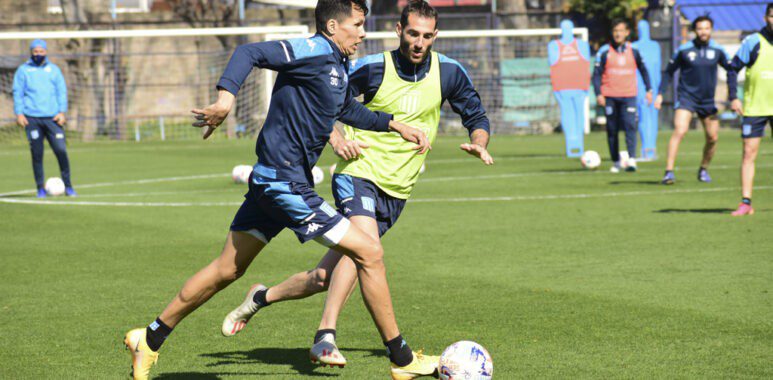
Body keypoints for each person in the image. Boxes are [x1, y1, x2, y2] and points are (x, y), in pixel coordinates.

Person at [122, 1, 439, 379]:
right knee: (369, 251)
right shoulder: (313, 50)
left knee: (227, 270)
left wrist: (393, 125)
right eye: (357, 24)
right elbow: (249, 52)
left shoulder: (337, 65)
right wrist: (226, 97)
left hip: (277, 180)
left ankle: (149, 338)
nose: (364, 32)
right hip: (282, 182)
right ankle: (402, 360)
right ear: (334, 25)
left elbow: (347, 111)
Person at [220, 0, 493, 370]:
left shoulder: (450, 72)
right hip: (358, 175)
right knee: (366, 250)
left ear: (435, 36)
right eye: (413, 33)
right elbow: (325, 99)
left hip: (397, 190)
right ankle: (344, 341)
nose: (419, 42)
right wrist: (335, 137)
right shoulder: (370, 66)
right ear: (399, 31)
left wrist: (479, 141)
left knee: (322, 277)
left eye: (427, 36)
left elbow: (475, 114)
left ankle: (261, 297)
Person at [655, 15, 738, 185]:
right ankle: (668, 172)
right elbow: (669, 72)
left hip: (707, 101)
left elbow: (731, 71)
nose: (703, 32)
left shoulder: (718, 50)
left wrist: (733, 96)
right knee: (680, 130)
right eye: (700, 28)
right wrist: (660, 93)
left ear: (711, 30)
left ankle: (703, 169)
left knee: (713, 138)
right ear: (695, 30)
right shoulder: (684, 50)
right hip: (687, 98)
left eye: (706, 28)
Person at [13, 39, 76, 197]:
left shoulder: (54, 70)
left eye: (41, 51)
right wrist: (19, 113)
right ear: (31, 52)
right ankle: (40, 188)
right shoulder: (23, 70)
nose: (39, 54)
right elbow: (18, 92)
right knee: (37, 153)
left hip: (53, 118)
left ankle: (68, 186)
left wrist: (62, 111)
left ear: (46, 52)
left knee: (61, 150)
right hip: (32, 118)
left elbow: (61, 91)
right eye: (36, 51)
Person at [727, 3, 773, 216]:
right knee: (749, 153)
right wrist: (733, 98)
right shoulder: (753, 41)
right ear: (765, 18)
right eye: (772, 16)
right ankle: (746, 202)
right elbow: (732, 69)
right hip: (755, 108)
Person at [593, 19, 653, 173]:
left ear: (627, 33)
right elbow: (596, 75)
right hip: (610, 96)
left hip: (628, 95)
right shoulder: (604, 51)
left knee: (630, 126)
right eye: (615, 31)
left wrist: (649, 89)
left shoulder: (634, 51)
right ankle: (616, 161)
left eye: (621, 31)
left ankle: (631, 159)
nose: (618, 34)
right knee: (612, 129)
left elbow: (643, 70)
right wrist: (598, 93)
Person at [548, 19, 591, 157]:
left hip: (579, 87)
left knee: (579, 116)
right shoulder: (554, 45)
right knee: (568, 115)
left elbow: (587, 64)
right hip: (562, 87)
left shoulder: (582, 45)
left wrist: (586, 85)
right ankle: (571, 144)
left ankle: (578, 144)